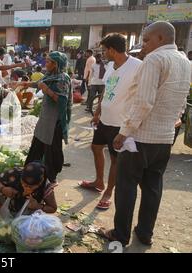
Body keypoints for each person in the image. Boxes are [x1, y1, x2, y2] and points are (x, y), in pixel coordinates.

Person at [100, 21, 191, 247]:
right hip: (165, 137)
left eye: (147, 40)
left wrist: (124, 132)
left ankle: (120, 234)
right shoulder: (185, 61)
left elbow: (143, 102)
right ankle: (145, 232)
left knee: (126, 185)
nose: (144, 45)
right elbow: (181, 99)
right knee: (152, 185)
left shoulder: (155, 59)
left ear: (160, 38)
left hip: (140, 137)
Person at [79, 34, 142, 210]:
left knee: (116, 159)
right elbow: (106, 91)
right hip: (105, 119)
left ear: (112, 50)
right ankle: (99, 181)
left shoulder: (137, 66)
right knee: (96, 147)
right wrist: (97, 112)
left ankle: (108, 192)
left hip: (120, 123)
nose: (103, 53)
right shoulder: (110, 66)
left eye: (105, 50)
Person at [14, 51, 72, 183]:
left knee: (53, 151)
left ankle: (51, 177)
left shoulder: (62, 79)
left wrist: (47, 90)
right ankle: (31, 170)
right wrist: (21, 84)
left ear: (56, 64)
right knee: (37, 147)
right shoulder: (49, 76)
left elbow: (62, 100)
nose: (45, 64)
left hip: (54, 122)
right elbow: (38, 83)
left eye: (48, 62)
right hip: (45, 119)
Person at [0, 162, 58, 227]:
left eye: (30, 187)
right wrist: (3, 189)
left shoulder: (46, 187)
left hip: (28, 211)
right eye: (23, 183)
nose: (26, 188)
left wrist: (37, 206)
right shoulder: (15, 173)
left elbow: (53, 208)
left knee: (28, 231)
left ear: (40, 182)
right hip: (10, 204)